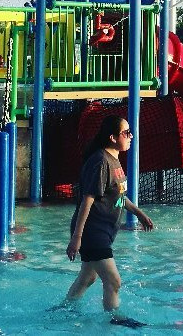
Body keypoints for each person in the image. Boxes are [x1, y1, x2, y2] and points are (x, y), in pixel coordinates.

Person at [66, 115, 154, 319]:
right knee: (113, 281)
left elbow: (118, 194)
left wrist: (139, 213)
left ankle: (64, 310)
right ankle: (114, 319)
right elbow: (87, 200)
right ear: (113, 137)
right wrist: (77, 237)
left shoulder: (113, 160)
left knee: (88, 278)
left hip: (103, 231)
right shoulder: (101, 162)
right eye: (126, 133)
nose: (131, 136)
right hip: (92, 231)